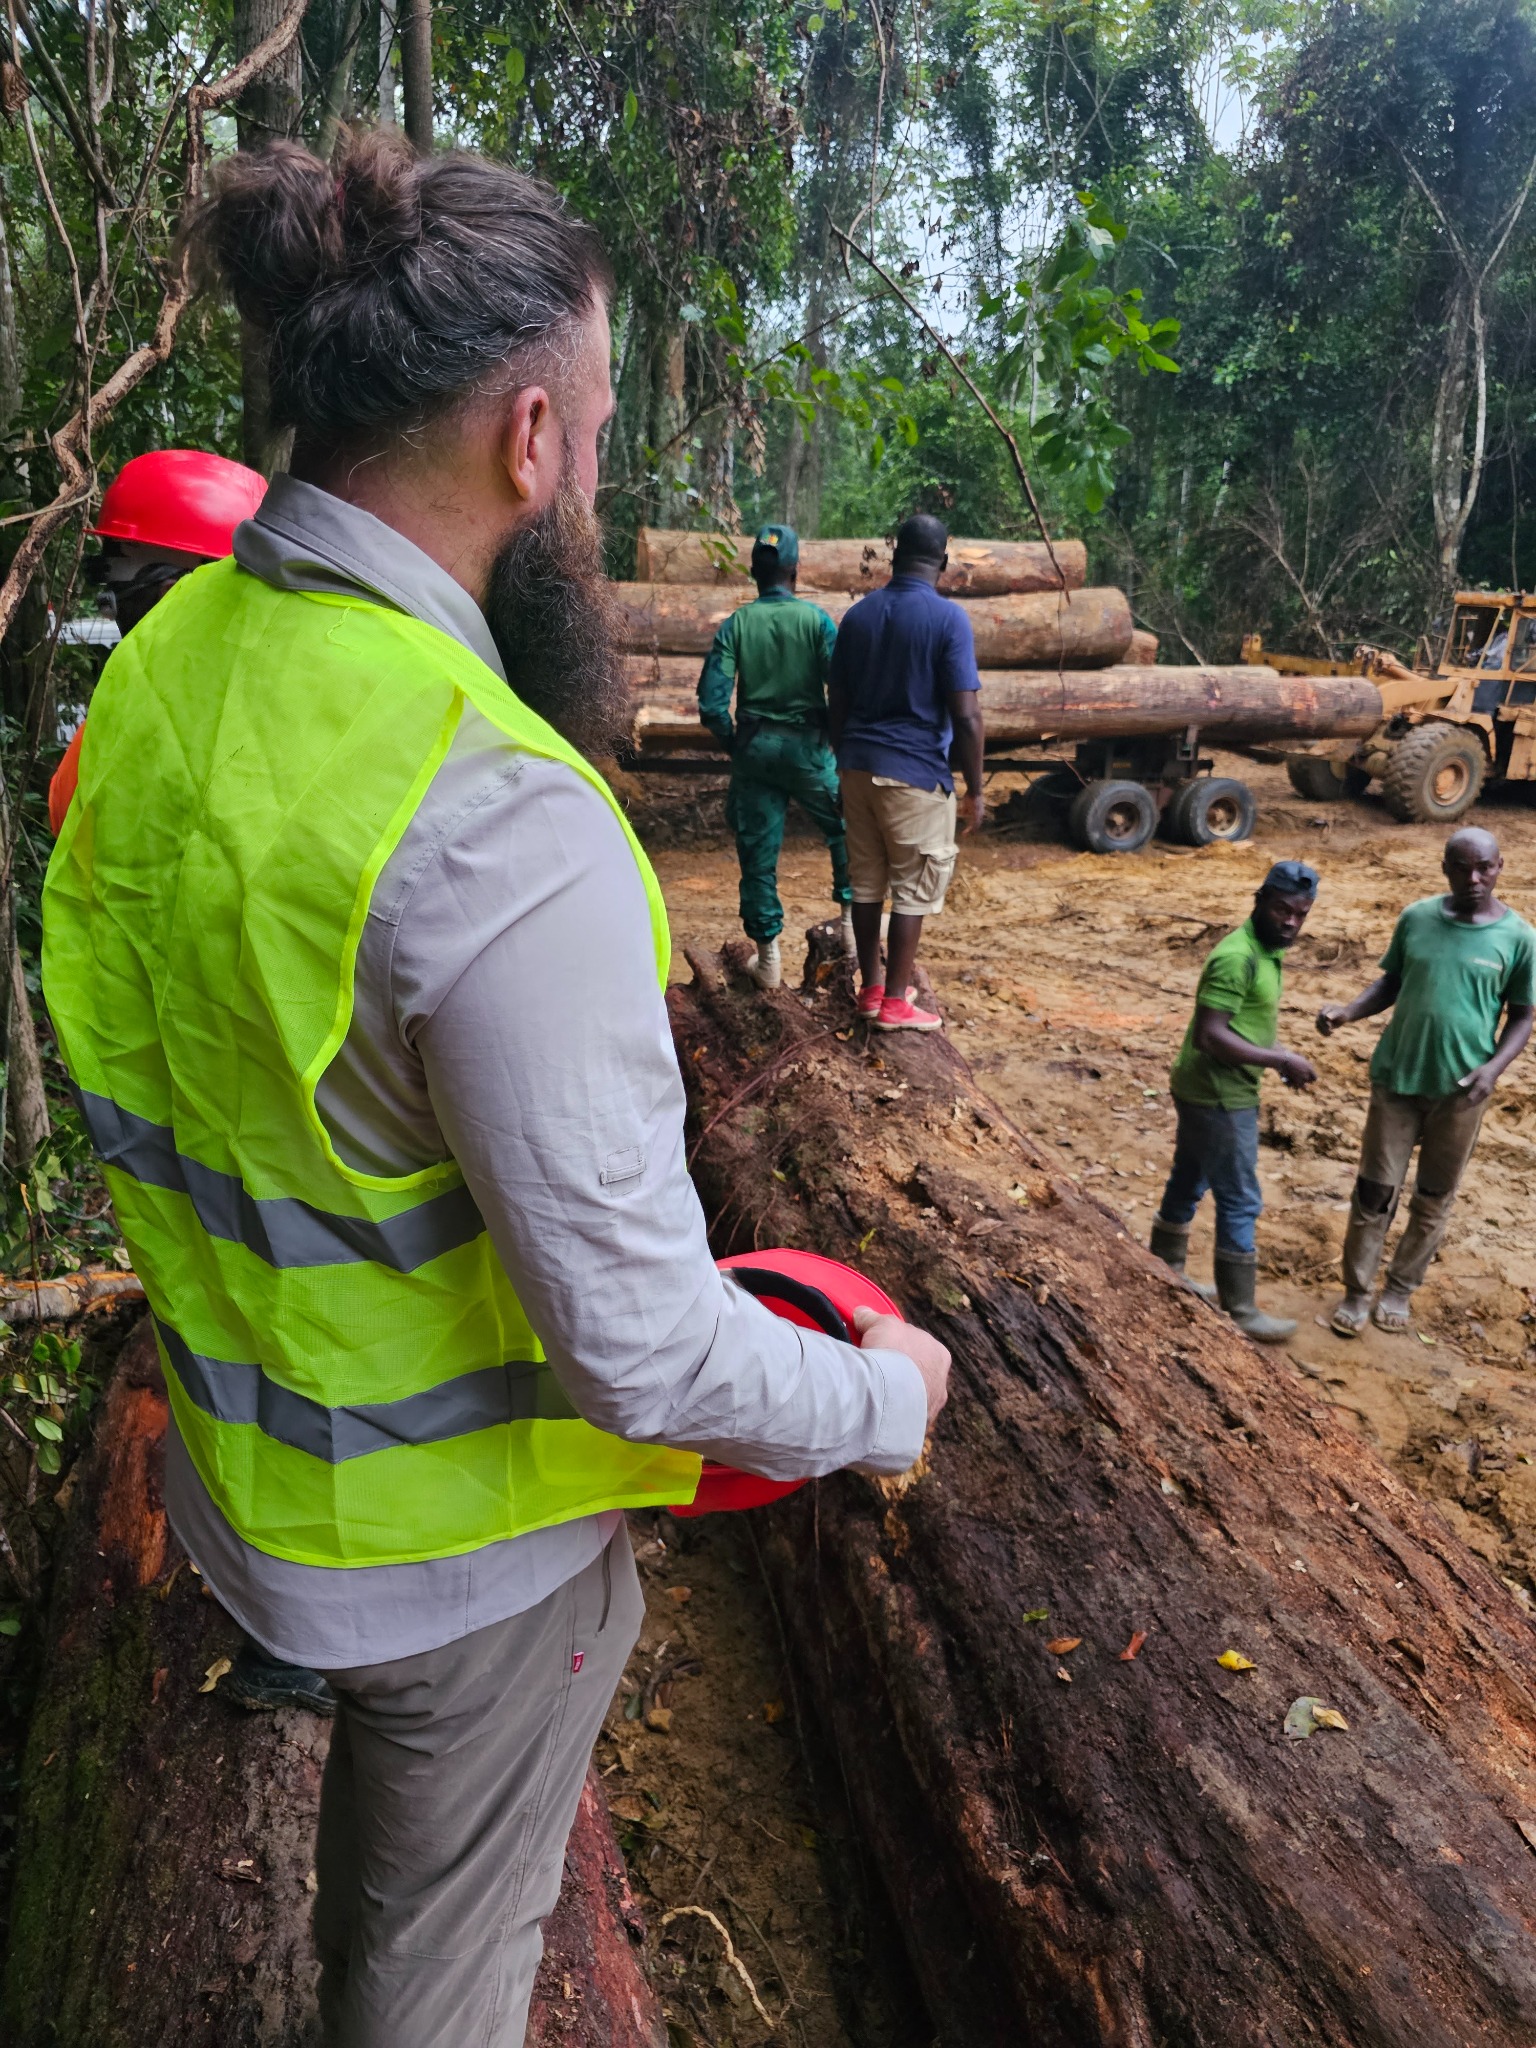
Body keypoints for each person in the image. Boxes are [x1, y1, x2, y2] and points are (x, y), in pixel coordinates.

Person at [42, 132, 949, 2048]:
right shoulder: (497, 813)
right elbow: (636, 1350)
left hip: (240, 1479)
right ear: (528, 441)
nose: (601, 473)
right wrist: (878, 1398)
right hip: (453, 1573)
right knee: (433, 1988)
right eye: (602, 426)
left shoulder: (167, 661)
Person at [50, 450, 335, 1723]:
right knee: (292, 1359)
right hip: (265, 1115)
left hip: (190, 1118)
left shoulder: (120, 727)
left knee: (247, 1351)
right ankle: (306, 1626)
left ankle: (297, 1618)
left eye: (127, 584)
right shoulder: (287, 712)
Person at [1318, 827, 1534, 1336]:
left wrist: (1493, 1068)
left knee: (1434, 1195)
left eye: (1485, 867)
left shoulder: (1519, 937)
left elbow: (1522, 1016)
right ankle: (1356, 1289)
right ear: (1445, 868)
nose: (1474, 878)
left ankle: (1399, 1289)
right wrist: (1348, 1013)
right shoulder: (1416, 918)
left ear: (1502, 867)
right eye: (1462, 867)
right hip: (1397, 1079)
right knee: (1375, 1190)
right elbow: (1391, 982)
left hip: (1461, 1092)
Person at [49, 449, 269, 833]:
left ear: (173, 590)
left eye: (115, 577)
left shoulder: (135, 703)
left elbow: (64, 809)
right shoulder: (286, 689)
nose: (111, 606)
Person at [828, 512, 985, 1032]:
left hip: (856, 767)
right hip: (915, 773)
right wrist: (976, 790)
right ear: (942, 562)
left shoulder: (858, 617)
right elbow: (965, 715)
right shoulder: (948, 621)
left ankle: (871, 988)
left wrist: (844, 760)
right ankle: (897, 1000)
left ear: (894, 557)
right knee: (914, 889)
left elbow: (838, 702)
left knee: (868, 884)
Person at [1150, 861, 1320, 1341]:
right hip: (1219, 1093)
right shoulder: (1237, 957)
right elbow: (1210, 1035)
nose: (1291, 921)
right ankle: (1240, 1308)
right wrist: (1280, 1059)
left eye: (1301, 914)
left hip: (1208, 1088)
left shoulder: (1266, 950)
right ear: (1260, 899)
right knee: (1240, 1198)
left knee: (1190, 1174)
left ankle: (1166, 1269)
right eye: (1283, 909)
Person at [697, 523, 852, 988]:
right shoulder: (818, 622)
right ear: (795, 570)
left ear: (754, 572)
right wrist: (835, 739)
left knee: (757, 855)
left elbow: (710, 704)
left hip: (756, 752)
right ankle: (850, 928)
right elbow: (843, 687)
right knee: (847, 827)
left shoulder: (737, 626)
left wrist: (736, 745)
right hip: (809, 750)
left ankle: (768, 962)